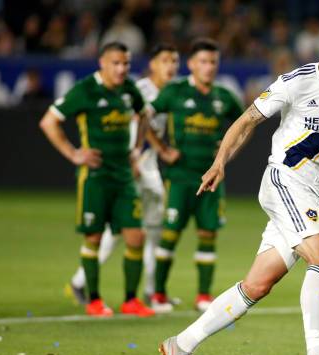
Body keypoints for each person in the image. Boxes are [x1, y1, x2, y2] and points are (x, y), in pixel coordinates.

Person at [157, 15, 319, 355]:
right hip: (285, 181)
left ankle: (181, 345)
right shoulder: (297, 81)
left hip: (315, 195)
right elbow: (246, 121)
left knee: (256, 285)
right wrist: (220, 162)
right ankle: (318, 351)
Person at [39, 42, 155, 317]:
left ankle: (130, 300)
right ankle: (93, 300)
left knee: (136, 237)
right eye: (116, 63)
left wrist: (137, 149)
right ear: (102, 63)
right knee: (93, 237)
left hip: (124, 176)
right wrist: (73, 153)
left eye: (126, 63)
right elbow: (48, 121)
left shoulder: (129, 90)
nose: (121, 69)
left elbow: (145, 114)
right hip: (95, 177)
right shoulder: (85, 90)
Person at [65, 43, 180, 314]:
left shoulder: (170, 92)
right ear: (152, 64)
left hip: (147, 166)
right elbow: (138, 121)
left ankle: (151, 291)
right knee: (122, 232)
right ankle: (81, 282)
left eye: (175, 61)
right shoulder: (138, 89)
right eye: (165, 60)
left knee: (148, 229)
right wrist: (138, 154)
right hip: (131, 167)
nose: (171, 66)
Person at [145, 39, 244, 312]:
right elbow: (143, 117)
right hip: (179, 178)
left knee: (208, 234)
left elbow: (246, 124)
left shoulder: (224, 97)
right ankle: (159, 294)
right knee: (170, 234)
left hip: (212, 179)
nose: (209, 67)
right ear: (191, 64)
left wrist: (226, 154)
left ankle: (203, 296)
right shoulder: (175, 91)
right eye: (203, 61)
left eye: (213, 62)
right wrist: (163, 150)